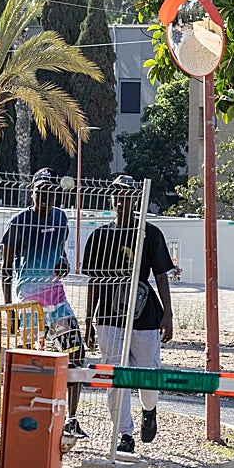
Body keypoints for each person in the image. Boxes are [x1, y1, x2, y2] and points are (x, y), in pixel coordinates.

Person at [82, 175, 175, 453]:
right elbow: (94, 281)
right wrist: (89, 320)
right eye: (116, 195)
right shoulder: (100, 236)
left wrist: (167, 313)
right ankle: (124, 434)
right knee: (116, 375)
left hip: (145, 313)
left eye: (126, 195)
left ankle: (149, 410)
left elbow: (161, 275)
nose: (121, 200)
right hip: (110, 315)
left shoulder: (150, 234)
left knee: (148, 373)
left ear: (137, 199)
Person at [1, 168, 87, 438]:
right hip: (28, 299)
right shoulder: (19, 222)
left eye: (51, 192)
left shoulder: (61, 218)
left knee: (76, 352)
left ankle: (71, 419)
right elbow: (6, 268)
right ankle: (26, 419)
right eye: (41, 192)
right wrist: (10, 310)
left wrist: (63, 263)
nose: (46, 197)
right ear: (33, 192)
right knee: (30, 360)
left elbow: (61, 254)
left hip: (56, 296)